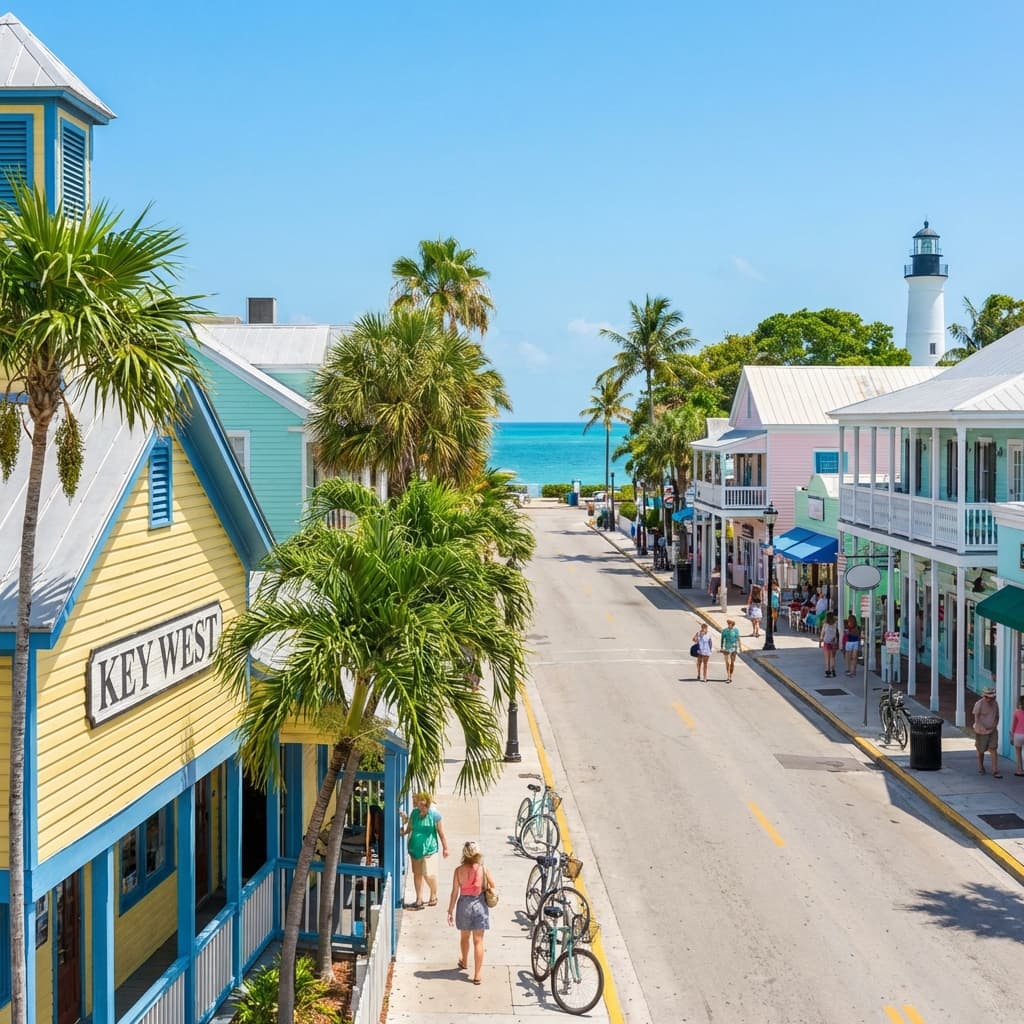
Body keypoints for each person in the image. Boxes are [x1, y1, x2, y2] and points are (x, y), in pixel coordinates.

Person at [447, 841, 494, 986]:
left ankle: (464, 961)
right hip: (479, 905)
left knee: (464, 937)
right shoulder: (483, 869)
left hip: (464, 906)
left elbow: (454, 892)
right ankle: (477, 974)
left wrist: (450, 910)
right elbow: (493, 886)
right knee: (478, 941)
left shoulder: (458, 871)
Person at [400, 792, 449, 908]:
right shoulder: (414, 813)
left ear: (428, 804)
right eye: (419, 804)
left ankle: (433, 893)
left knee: (428, 874)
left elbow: (441, 833)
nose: (421, 807)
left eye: (424, 805)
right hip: (415, 849)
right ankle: (419, 899)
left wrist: (445, 848)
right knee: (417, 874)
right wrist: (403, 832)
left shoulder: (435, 815)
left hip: (429, 849)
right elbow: (410, 828)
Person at [972, 687, 1001, 777]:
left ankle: (995, 770)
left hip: (992, 730)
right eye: (988, 697)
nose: (990, 699)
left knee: (993, 748)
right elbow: (976, 719)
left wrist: (994, 726)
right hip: (981, 731)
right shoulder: (979, 704)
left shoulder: (995, 704)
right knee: (981, 750)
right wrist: (983, 728)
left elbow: (997, 716)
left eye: (992, 697)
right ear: (985, 696)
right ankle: (981, 767)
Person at [721, 617, 741, 683]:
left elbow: (738, 639)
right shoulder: (724, 630)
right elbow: (722, 639)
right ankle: (728, 676)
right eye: (728, 623)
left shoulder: (736, 630)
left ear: (733, 624)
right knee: (728, 663)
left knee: (732, 663)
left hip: (734, 648)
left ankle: (731, 675)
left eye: (730, 623)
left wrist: (740, 647)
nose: (729, 624)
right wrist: (722, 647)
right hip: (727, 648)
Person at [819, 612, 839, 677]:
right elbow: (836, 634)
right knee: (832, 657)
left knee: (827, 658)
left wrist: (820, 641)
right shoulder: (835, 624)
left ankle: (828, 671)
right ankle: (833, 670)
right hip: (833, 643)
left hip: (826, 642)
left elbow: (822, 634)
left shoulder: (825, 625)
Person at [1011, 695, 1024, 777]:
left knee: (1018, 754)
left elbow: (1014, 726)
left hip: (1018, 735)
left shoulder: (1017, 712)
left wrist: (1012, 736)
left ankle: (1020, 771)